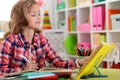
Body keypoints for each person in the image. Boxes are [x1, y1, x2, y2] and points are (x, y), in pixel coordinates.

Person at [0, 0, 89, 75]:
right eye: (33, 15)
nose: (38, 17)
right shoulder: (10, 41)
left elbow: (57, 62)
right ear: (21, 18)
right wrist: (22, 70)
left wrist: (78, 62)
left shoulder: (42, 40)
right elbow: (2, 70)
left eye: (39, 14)